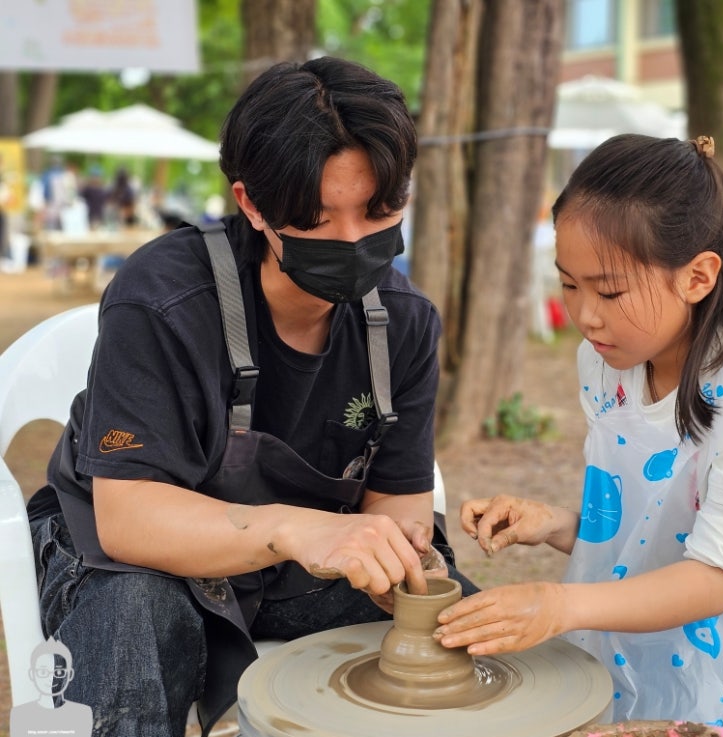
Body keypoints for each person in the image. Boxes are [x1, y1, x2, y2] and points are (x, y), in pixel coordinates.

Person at [26, 56, 476, 737]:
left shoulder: (405, 324)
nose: (355, 240)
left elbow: (399, 503)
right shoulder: (163, 300)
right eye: (320, 219)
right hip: (135, 561)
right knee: (135, 622)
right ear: (252, 203)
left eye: (379, 209)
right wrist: (299, 528)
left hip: (295, 570)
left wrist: (402, 557)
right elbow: (128, 519)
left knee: (468, 631)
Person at [434, 135, 723, 737]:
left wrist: (557, 606)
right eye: (569, 285)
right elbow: (665, 520)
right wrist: (557, 524)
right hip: (712, 589)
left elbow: (712, 578)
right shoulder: (606, 363)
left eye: (608, 290)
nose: (586, 315)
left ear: (698, 276)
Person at [9, 638, 93, 737]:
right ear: (32, 674)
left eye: (59, 672)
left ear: (70, 674)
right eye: (43, 672)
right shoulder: (20, 715)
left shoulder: (83, 714)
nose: (50, 679)